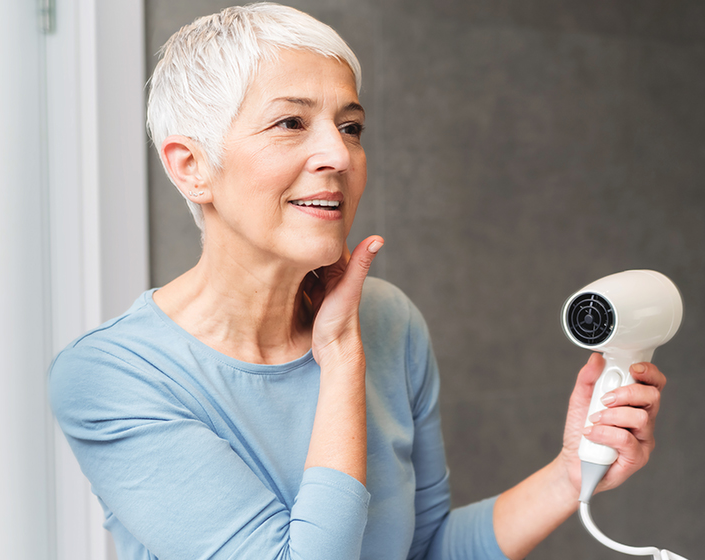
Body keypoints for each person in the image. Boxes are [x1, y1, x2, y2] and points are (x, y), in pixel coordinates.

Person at [48, 4, 667, 560]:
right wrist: (341, 359)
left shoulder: (389, 320)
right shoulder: (113, 377)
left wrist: (569, 473)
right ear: (192, 168)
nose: (339, 156)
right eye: (291, 123)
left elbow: (425, 551)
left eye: (351, 127)